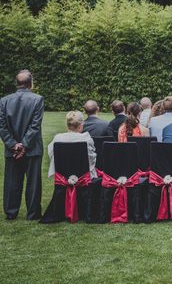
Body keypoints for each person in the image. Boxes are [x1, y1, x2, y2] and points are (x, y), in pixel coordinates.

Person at [0, 70, 44, 220]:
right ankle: (33, 214)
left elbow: (2, 127)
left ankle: (11, 213)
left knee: (12, 182)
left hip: (13, 149)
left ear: (17, 83)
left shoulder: (4, 100)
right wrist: (22, 145)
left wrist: (14, 145)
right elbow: (35, 126)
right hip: (32, 148)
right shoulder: (38, 99)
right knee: (33, 183)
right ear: (30, 83)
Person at [48, 111, 98, 179]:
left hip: (62, 177)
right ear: (80, 126)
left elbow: (52, 155)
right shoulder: (86, 138)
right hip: (83, 178)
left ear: (67, 125)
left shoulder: (57, 138)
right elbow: (91, 159)